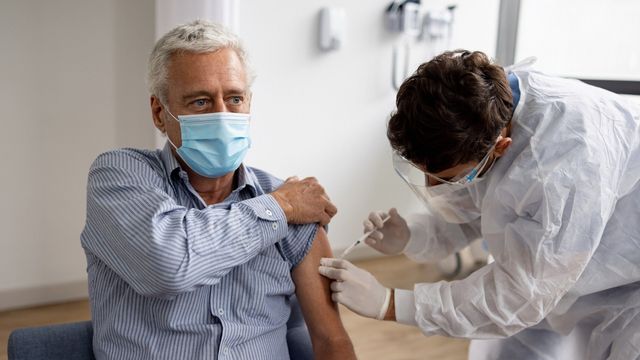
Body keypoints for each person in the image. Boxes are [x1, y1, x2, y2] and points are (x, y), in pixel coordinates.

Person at [319, 50, 640, 359]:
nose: (434, 187)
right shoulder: (485, 104)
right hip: (552, 267)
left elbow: (520, 297)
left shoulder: (560, 167)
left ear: (501, 147)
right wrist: (412, 235)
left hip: (628, 289)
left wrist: (389, 303)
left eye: (446, 177)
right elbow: (483, 208)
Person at [81, 20, 355, 360]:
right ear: (159, 113)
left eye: (235, 98)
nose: (223, 115)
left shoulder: (293, 203)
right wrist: (280, 208)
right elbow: (168, 266)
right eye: (200, 102)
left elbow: (332, 341)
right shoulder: (120, 175)